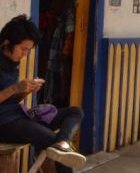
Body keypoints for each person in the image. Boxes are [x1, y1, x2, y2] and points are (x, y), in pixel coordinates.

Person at [0, 15, 86, 172]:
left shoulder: (12, 63)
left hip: (18, 117)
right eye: (23, 49)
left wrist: (24, 92)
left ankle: (63, 142)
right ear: (6, 43)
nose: (25, 54)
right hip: (4, 124)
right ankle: (60, 145)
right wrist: (15, 88)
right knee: (51, 141)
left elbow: (9, 100)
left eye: (28, 50)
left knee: (75, 112)